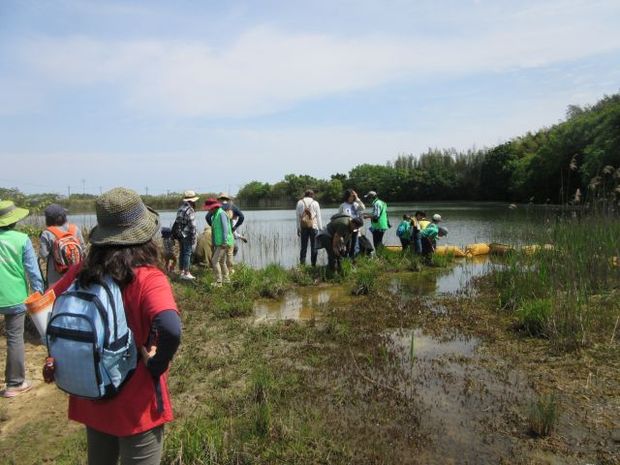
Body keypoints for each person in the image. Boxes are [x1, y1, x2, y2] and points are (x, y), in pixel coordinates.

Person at [51, 187, 182, 465]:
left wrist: (59, 353)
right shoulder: (148, 277)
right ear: (144, 234)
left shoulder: (82, 271)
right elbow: (170, 327)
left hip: (93, 392)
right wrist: (157, 363)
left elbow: (49, 310)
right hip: (137, 405)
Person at [0, 200, 44, 398]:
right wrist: (38, 294)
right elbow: (33, 272)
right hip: (14, 297)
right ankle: (15, 383)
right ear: (14, 220)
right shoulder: (22, 239)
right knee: (14, 339)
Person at [39, 204, 85, 287]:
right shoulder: (75, 229)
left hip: (55, 277)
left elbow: (43, 255)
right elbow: (83, 249)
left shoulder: (47, 233)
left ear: (48, 219)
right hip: (76, 274)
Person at [204, 198, 233, 287]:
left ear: (214, 207)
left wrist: (224, 242)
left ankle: (218, 282)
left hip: (224, 242)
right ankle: (226, 279)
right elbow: (215, 230)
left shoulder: (221, 214)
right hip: (219, 242)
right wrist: (214, 242)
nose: (209, 210)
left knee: (214, 261)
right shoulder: (215, 215)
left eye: (209, 209)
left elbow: (225, 229)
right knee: (221, 262)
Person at [175, 190, 199, 280]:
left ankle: (181, 271)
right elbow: (192, 225)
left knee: (182, 252)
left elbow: (177, 221)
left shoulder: (181, 208)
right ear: (192, 200)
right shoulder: (190, 210)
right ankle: (186, 272)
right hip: (187, 234)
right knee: (187, 253)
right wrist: (193, 237)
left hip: (180, 234)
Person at [296, 190, 322, 266]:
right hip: (314, 227)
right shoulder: (315, 203)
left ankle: (302, 265)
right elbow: (318, 216)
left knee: (303, 246)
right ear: (312, 195)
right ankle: (313, 265)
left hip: (303, 227)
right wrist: (320, 229)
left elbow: (297, 217)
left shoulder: (299, 202)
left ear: (305, 194)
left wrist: (298, 228)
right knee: (314, 246)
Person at [338, 189, 365, 258]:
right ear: (347, 196)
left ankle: (353, 260)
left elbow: (363, 208)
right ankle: (346, 260)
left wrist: (357, 198)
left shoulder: (356, 204)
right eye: (351, 196)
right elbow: (339, 217)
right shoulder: (343, 205)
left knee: (355, 246)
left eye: (353, 196)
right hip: (347, 229)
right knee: (347, 246)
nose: (352, 198)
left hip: (356, 229)